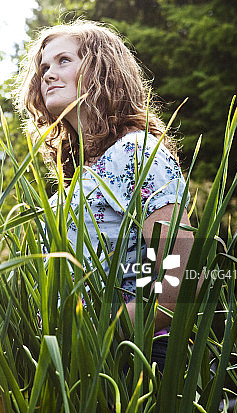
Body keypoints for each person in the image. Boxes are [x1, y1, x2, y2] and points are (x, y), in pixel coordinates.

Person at [12, 19, 193, 370]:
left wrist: (98, 332)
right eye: (44, 67)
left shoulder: (137, 152)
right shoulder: (81, 174)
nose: (48, 74)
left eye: (64, 61)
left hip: (133, 360)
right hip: (77, 364)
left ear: (100, 70)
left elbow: (180, 279)